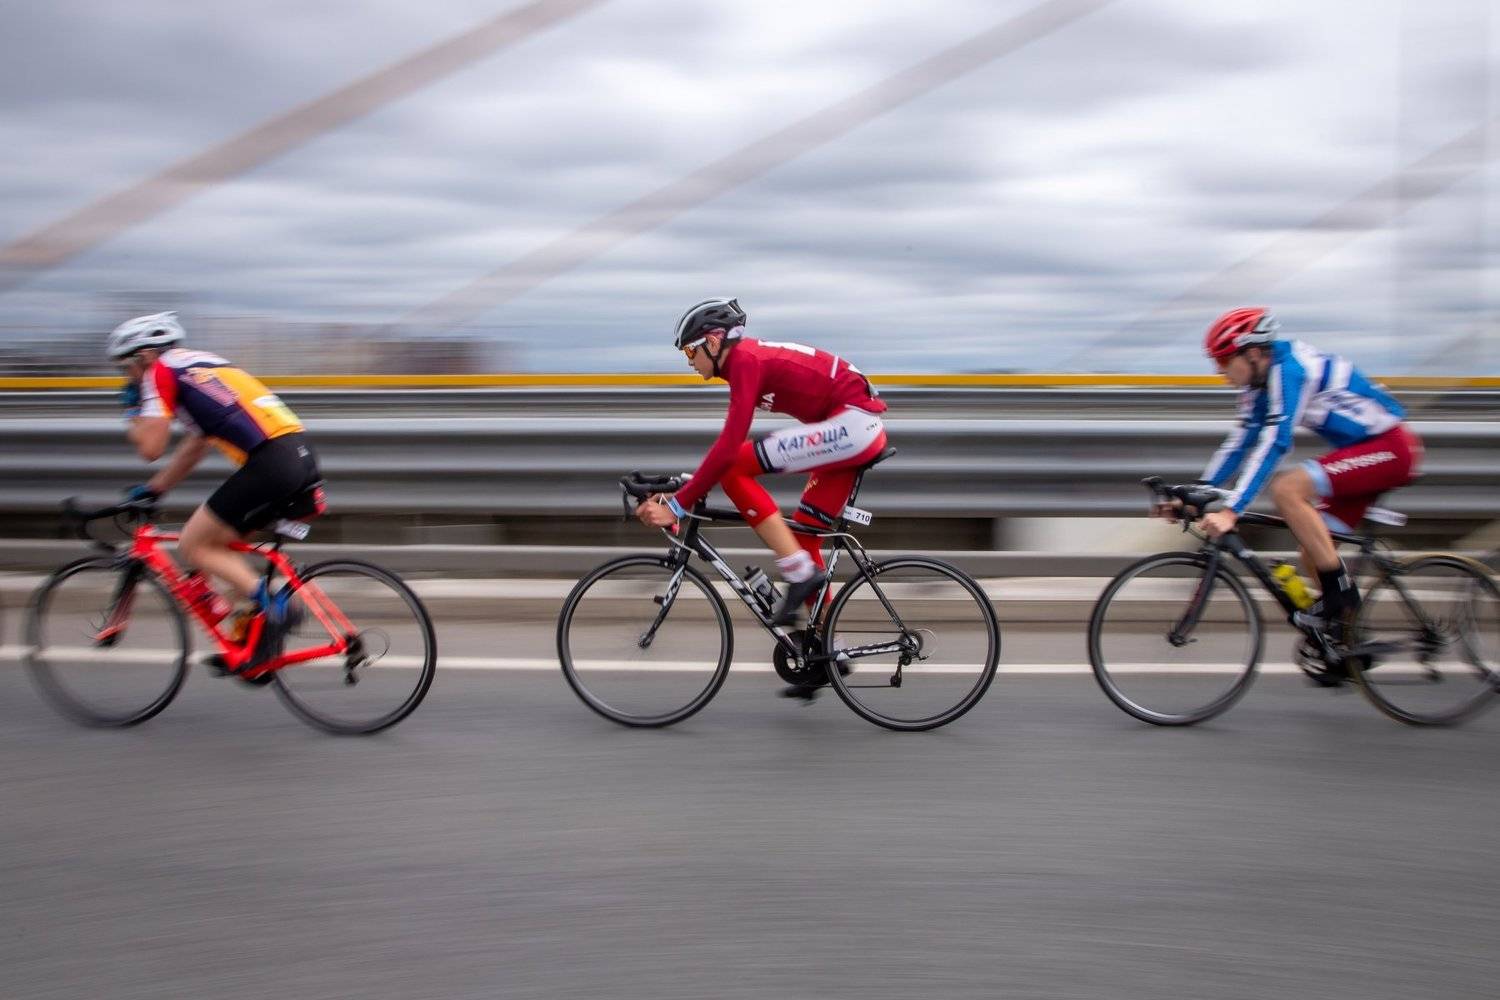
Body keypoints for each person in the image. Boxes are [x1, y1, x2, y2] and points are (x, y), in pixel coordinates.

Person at [1166, 306, 1422, 658]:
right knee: (1313, 550)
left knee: (1288, 489)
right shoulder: (1259, 383)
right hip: (1363, 452)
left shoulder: (1289, 371)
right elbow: (1241, 442)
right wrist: (1199, 490)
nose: (1219, 370)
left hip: (1390, 448)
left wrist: (1232, 510)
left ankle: (1339, 598)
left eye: (1224, 361)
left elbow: (1276, 443)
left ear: (1253, 353)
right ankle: (1350, 648)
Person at [635, 298, 889, 629]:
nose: (689, 361)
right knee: (801, 541)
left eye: (690, 351)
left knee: (734, 467)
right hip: (851, 430)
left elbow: (728, 449)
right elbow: (726, 447)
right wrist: (683, 491)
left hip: (853, 426)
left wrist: (678, 506)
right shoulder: (745, 361)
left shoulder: (745, 360)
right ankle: (828, 647)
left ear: (712, 342)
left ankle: (799, 573)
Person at [109, 312, 324, 671]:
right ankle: (255, 648)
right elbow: (196, 446)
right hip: (297, 457)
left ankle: (279, 609)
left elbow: (151, 448)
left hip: (271, 462)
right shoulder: (199, 366)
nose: (126, 376)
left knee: (194, 545)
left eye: (125, 368)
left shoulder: (160, 371)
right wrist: (155, 489)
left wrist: (133, 410)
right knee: (220, 549)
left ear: (143, 356)